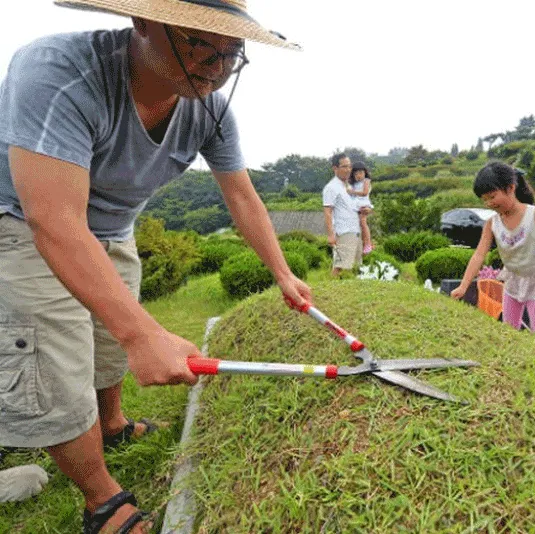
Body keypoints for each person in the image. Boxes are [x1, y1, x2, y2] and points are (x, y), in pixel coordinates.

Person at [0, 1, 311, 532]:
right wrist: (143, 334)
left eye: (231, 52)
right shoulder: (59, 70)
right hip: (24, 222)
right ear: (142, 22)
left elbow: (241, 195)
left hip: (115, 228)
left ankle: (113, 423)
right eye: (199, 43)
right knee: (56, 357)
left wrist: (282, 272)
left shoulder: (211, 109)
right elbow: (54, 221)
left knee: (105, 345)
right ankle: (101, 499)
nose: (216, 65)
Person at [451, 162, 535, 331]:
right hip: (513, 280)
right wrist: (464, 285)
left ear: (510, 188)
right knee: (508, 331)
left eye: (492, 196)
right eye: (484, 199)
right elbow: (479, 255)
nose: (489, 203)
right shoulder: (492, 223)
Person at [323, 153, 364, 277]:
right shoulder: (331, 187)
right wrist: (331, 235)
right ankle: (331, 291)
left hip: (355, 230)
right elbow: (327, 211)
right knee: (340, 267)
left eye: (349, 166)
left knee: (357, 267)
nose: (348, 170)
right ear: (335, 168)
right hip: (344, 231)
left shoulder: (349, 186)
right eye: (344, 167)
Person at [347, 161, 374, 255]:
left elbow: (365, 193)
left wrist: (353, 192)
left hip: (363, 204)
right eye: (356, 173)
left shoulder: (366, 181)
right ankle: (363, 244)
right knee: (357, 224)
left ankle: (368, 244)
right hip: (355, 205)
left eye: (361, 173)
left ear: (365, 172)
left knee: (363, 223)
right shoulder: (353, 184)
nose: (358, 175)